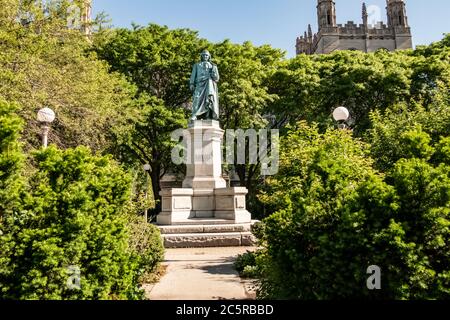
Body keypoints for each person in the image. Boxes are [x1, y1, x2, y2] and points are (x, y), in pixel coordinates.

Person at [189, 50, 220, 120]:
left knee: (209, 99)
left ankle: (207, 116)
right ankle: (195, 115)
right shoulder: (196, 65)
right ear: (201, 56)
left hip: (209, 84)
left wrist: (213, 72)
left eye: (206, 55)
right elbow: (193, 75)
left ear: (209, 56)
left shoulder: (213, 66)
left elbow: (217, 78)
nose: (205, 56)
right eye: (204, 55)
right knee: (197, 99)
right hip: (199, 85)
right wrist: (191, 83)